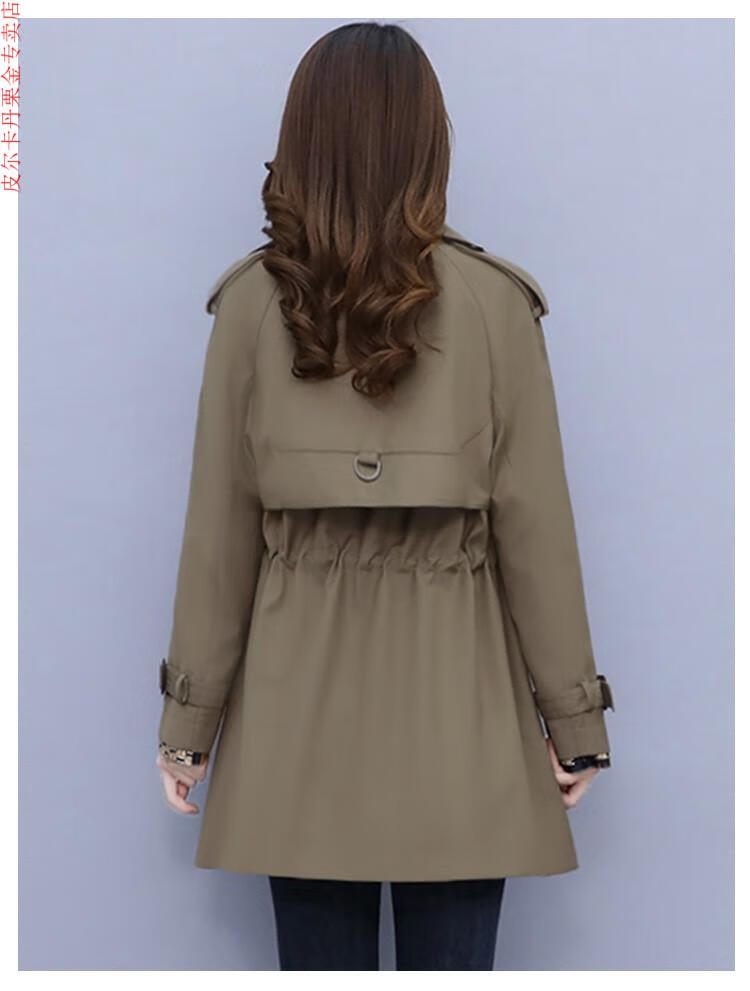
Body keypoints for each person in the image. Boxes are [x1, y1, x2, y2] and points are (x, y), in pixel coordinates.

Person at [155, 21, 615, 971]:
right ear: (428, 141)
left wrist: (187, 727)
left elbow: (218, 535)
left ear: (302, 139)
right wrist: (575, 724)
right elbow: (538, 532)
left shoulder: (250, 307)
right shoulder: (495, 305)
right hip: (461, 717)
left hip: (293, 724)